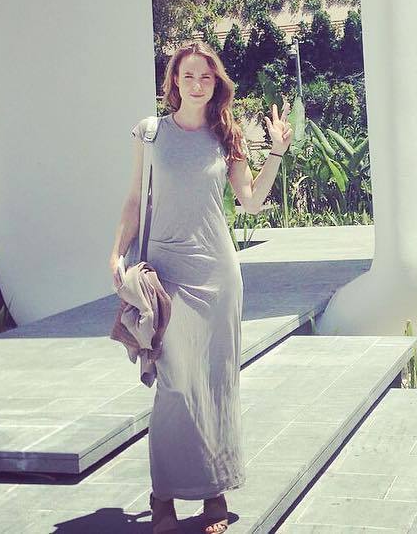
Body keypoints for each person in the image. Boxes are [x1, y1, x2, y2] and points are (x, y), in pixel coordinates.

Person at [108, 41, 292, 534]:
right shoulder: (151, 133)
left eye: (205, 77)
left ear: (216, 84)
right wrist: (116, 252)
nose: (196, 84)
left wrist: (276, 151)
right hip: (167, 275)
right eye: (187, 75)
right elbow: (134, 200)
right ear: (174, 81)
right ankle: (163, 496)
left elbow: (250, 202)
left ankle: (214, 490)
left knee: (216, 381)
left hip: (218, 274)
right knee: (175, 384)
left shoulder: (226, 136)